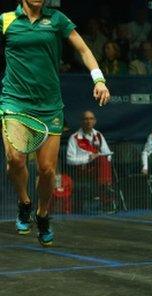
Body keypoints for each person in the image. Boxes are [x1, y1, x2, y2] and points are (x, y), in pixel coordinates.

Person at [0, 0, 110, 246]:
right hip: (14, 102)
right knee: (15, 160)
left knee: (47, 170)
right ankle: (24, 202)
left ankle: (42, 214)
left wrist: (99, 79)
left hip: (49, 107)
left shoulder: (57, 19)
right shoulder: (6, 20)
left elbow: (83, 50)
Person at [66, 110, 114, 213]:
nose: (88, 121)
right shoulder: (74, 138)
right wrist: (88, 158)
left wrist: (101, 157)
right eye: (86, 119)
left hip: (98, 168)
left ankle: (104, 187)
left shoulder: (99, 135)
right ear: (81, 122)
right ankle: (106, 189)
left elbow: (107, 153)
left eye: (91, 119)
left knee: (102, 159)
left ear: (95, 121)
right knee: (101, 161)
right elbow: (69, 160)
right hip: (82, 170)